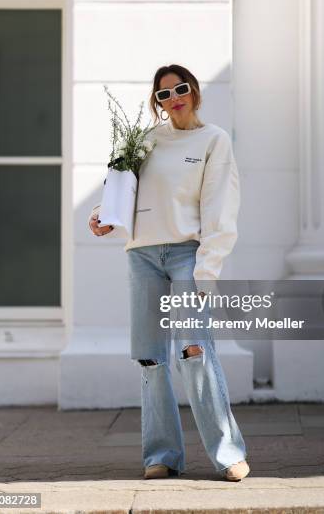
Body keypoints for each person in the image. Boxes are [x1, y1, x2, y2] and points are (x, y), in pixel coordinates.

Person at [88, 64, 249, 482]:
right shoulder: (143, 141)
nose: (173, 97)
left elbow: (219, 208)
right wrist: (101, 215)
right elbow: (121, 191)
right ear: (156, 102)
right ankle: (162, 454)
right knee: (150, 358)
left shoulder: (214, 140)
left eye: (180, 88)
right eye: (163, 93)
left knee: (194, 350)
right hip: (142, 255)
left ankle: (228, 453)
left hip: (186, 256)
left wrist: (207, 270)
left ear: (194, 91)